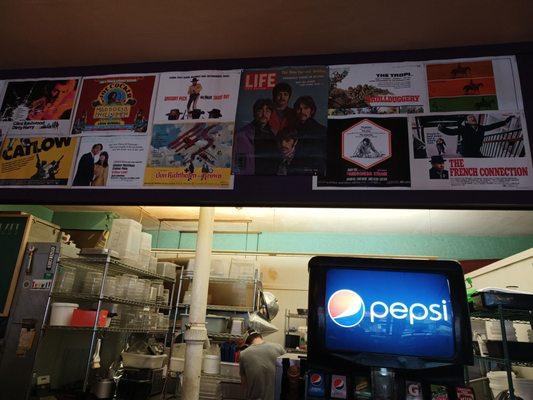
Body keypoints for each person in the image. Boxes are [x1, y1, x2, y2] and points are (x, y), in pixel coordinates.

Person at [233, 99, 279, 175]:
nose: (264, 114)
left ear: (270, 114)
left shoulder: (274, 133)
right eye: (260, 111)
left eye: (267, 111)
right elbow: (239, 160)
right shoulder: (242, 134)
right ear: (254, 113)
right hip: (250, 177)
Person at [438, 114, 514, 157]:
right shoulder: (464, 129)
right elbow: (452, 132)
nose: (473, 118)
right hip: (466, 154)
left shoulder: (481, 128)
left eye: (473, 117)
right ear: (467, 122)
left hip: (476, 152)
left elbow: (492, 126)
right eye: (470, 117)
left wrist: (505, 122)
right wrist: (442, 129)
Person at [239, 330, 285, 400]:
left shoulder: (243, 354)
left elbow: (244, 383)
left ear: (247, 343)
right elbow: (288, 370)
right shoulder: (279, 348)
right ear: (260, 337)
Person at [293, 95, 326, 174]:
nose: (302, 112)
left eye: (306, 108)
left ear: (312, 111)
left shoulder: (321, 130)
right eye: (299, 109)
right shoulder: (291, 129)